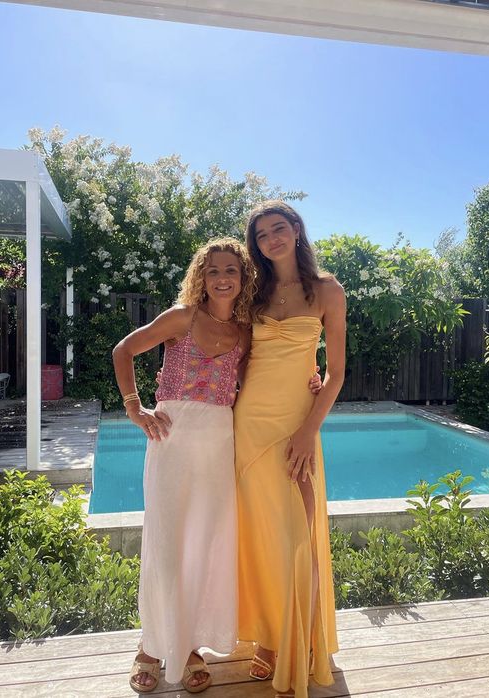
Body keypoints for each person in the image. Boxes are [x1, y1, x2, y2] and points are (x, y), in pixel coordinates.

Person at [112, 237, 254, 694]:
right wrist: (134, 408)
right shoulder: (182, 317)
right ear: (201, 276)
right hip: (172, 442)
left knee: (204, 546)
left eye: (231, 270)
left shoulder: (245, 333)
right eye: (213, 270)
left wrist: (310, 381)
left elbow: (253, 384)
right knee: (167, 545)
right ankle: (151, 646)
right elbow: (123, 350)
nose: (222, 278)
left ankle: (189, 645)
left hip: (218, 445)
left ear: (243, 277)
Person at [234, 200, 346, 698]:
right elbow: (232, 353)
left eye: (278, 228)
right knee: (259, 533)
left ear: (297, 230)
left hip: (298, 423)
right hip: (249, 424)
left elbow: (336, 373)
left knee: (296, 534)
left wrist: (308, 430)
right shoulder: (252, 290)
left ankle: (299, 638)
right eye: (261, 235)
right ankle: (268, 635)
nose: (271, 239)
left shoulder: (327, 290)